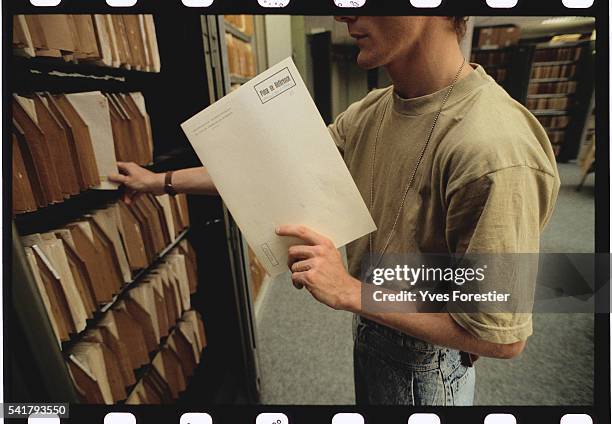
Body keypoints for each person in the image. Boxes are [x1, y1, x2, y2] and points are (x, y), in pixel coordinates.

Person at [109, 16, 560, 406]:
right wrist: (159, 182)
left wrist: (349, 291)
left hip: (427, 366)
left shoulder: (495, 148)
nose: (343, 14)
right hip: (378, 329)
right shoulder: (374, 109)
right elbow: (268, 172)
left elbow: (501, 336)